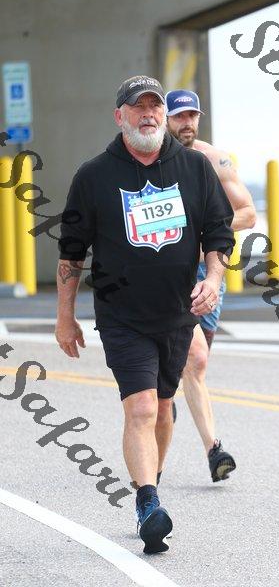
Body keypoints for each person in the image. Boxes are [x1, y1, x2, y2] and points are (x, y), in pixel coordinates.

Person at [55, 76, 234, 554]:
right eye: (139, 107)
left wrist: (213, 280)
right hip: (122, 316)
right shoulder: (94, 175)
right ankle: (148, 503)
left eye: (155, 106)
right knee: (141, 406)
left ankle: (150, 480)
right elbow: (71, 253)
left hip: (178, 313)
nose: (149, 114)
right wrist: (65, 316)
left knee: (163, 407)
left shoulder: (194, 168)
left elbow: (219, 233)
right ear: (121, 116)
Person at [166, 89, 256, 482]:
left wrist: (205, 226)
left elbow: (247, 213)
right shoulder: (151, 162)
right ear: (166, 119)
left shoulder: (215, 159)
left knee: (194, 363)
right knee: (196, 359)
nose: (186, 123)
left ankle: (162, 398)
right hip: (171, 271)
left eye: (192, 116)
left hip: (211, 269)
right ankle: (214, 450)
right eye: (179, 116)